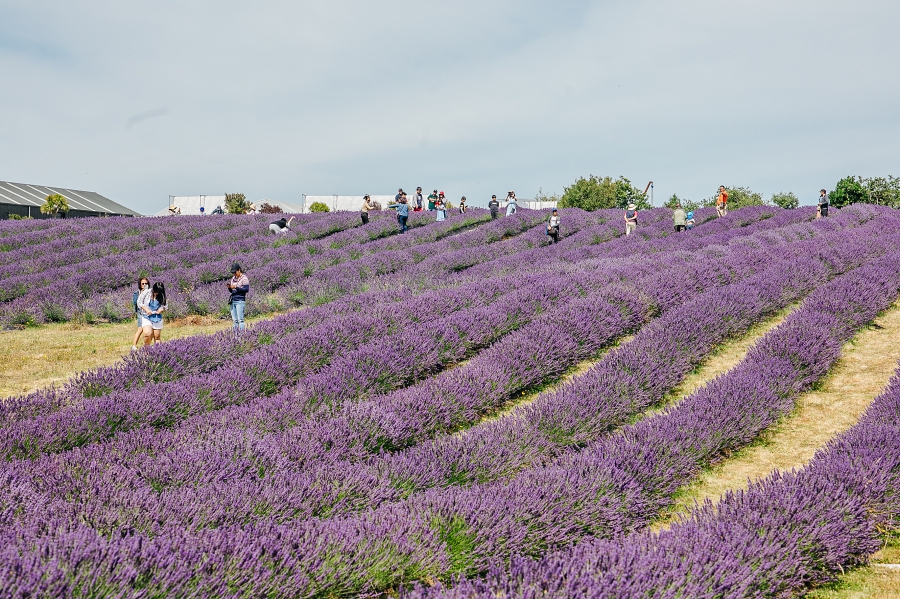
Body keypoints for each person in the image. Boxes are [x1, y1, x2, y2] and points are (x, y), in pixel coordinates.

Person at [227, 263, 249, 333]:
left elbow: (246, 289)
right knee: (235, 321)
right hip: (233, 300)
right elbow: (232, 291)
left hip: (240, 301)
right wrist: (230, 288)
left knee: (240, 320)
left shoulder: (244, 278)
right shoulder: (233, 278)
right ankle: (235, 336)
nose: (234, 274)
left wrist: (236, 287)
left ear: (239, 270)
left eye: (235, 272)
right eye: (233, 273)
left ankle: (242, 335)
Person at [131, 277, 151, 351]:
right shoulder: (137, 293)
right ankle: (134, 346)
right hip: (141, 313)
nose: (144, 285)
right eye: (143, 283)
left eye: (146, 283)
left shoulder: (150, 292)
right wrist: (142, 294)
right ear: (140, 284)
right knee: (140, 329)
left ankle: (147, 345)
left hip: (149, 313)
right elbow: (135, 303)